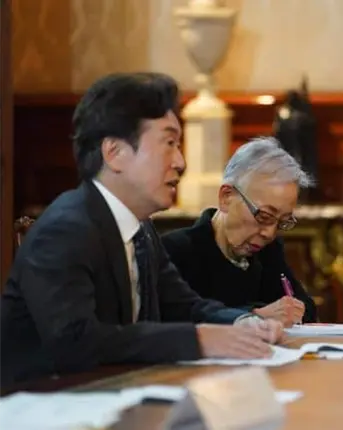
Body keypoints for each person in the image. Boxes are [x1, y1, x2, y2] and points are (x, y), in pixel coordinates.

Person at [0, 72, 283, 386]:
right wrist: (197, 340)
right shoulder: (65, 230)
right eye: (169, 143)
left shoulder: (141, 229)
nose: (180, 161)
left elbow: (184, 306)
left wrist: (243, 322)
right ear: (115, 153)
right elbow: (75, 341)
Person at [162, 137, 318, 328]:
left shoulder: (268, 251)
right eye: (264, 216)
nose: (269, 233)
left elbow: (306, 309)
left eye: (282, 222)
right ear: (226, 197)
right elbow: (175, 321)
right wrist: (252, 315)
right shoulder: (176, 251)